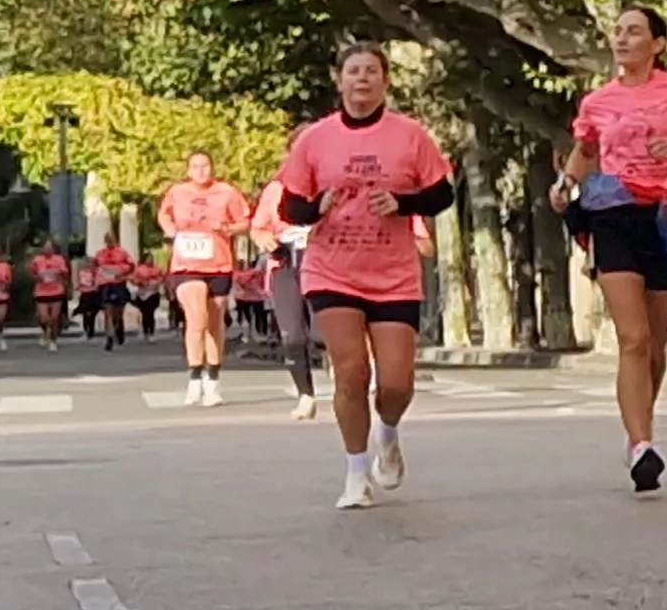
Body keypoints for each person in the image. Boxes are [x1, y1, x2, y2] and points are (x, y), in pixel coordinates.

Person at [548, 6, 667, 496]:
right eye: (618, 32)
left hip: (665, 220)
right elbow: (585, 149)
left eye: (634, 32)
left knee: (654, 343)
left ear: (658, 44)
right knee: (632, 337)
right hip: (612, 217)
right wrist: (565, 184)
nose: (623, 39)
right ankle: (640, 444)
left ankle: (642, 425)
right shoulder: (598, 101)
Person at [276, 42, 458, 509]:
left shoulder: (410, 135)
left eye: (372, 72)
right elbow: (290, 207)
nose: (362, 79)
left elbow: (441, 194)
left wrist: (404, 202)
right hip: (332, 270)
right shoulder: (314, 139)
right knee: (351, 371)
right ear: (340, 81)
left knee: (396, 384)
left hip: (393, 272)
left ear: (385, 82)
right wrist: (318, 207)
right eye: (354, 71)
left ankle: (389, 434)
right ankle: (356, 474)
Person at [157, 152, 249, 406]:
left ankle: (213, 380)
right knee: (197, 319)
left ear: (212, 167)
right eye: (195, 166)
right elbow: (164, 215)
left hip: (218, 264)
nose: (201, 171)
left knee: (215, 324)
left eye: (205, 165)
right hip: (187, 266)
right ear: (188, 170)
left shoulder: (226, 192)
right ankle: (195, 377)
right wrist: (170, 230)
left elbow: (245, 221)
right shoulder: (177, 192)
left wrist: (228, 229)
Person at [254, 176, 321, 422]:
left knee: (322, 335)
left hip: (323, 268)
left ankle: (337, 372)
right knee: (292, 335)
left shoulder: (331, 181)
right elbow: (258, 227)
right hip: (285, 266)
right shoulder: (275, 188)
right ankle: (305, 396)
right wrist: (263, 238)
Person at [29, 238, 72, 351]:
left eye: (50, 247)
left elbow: (64, 273)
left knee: (54, 317)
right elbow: (32, 274)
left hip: (56, 290)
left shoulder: (59, 260)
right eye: (46, 247)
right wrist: (38, 278)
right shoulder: (37, 260)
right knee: (44, 318)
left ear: (53, 249)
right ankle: (46, 332)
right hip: (41, 291)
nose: (48, 250)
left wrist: (60, 277)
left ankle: (53, 340)